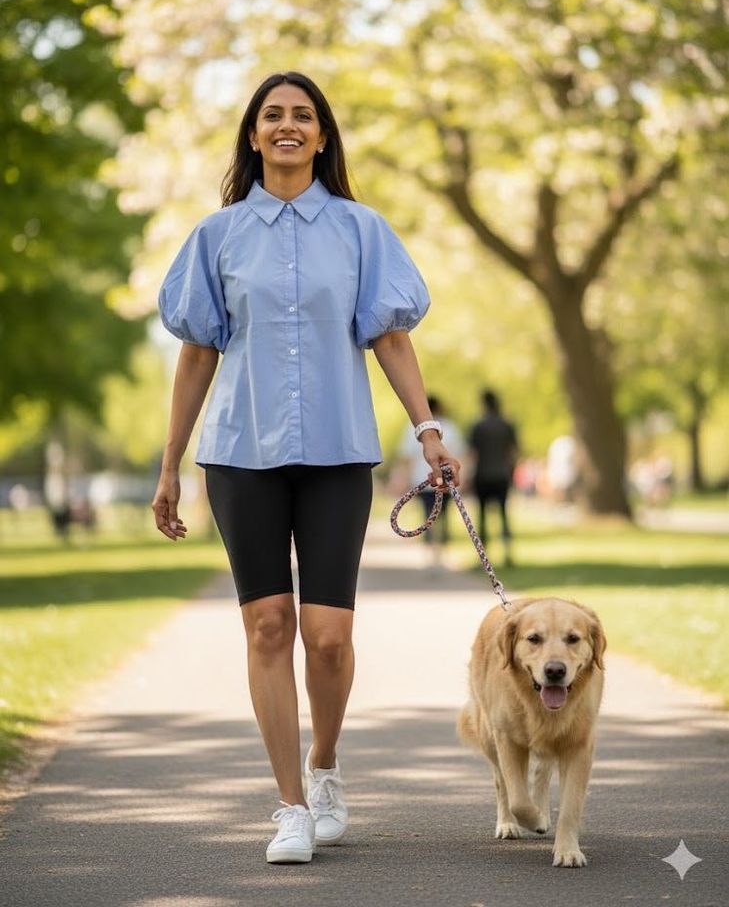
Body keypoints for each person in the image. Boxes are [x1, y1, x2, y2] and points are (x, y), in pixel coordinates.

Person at [151, 71, 461, 865]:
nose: (287, 126)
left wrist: (426, 431)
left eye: (302, 116)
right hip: (238, 454)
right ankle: (289, 806)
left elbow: (390, 337)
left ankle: (324, 767)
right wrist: (169, 466)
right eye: (272, 116)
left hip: (336, 451)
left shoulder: (361, 230)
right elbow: (195, 355)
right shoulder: (217, 237)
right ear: (252, 136)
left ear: (322, 136)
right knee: (266, 626)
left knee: (326, 637)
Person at [396, 394, 465, 569]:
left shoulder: (412, 429)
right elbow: (460, 455)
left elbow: (407, 458)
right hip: (445, 481)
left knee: (429, 516)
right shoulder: (450, 428)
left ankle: (434, 552)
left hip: (423, 480)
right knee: (441, 516)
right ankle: (438, 551)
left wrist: (402, 480)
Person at [468, 389, 518, 565]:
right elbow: (512, 452)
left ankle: (483, 557)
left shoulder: (478, 426)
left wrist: (468, 476)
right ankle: (508, 553)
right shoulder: (507, 425)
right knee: (504, 515)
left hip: (482, 476)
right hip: (502, 475)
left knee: (481, 517)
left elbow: (473, 454)